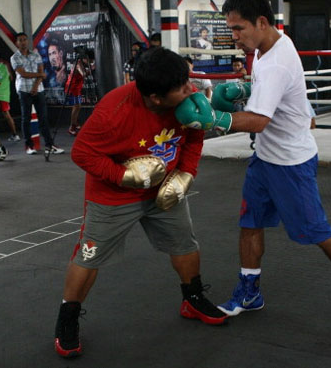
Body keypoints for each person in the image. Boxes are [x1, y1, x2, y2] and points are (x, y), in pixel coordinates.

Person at [176, 0, 331, 328]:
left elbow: (258, 121)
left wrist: (214, 119)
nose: (234, 37)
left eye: (238, 29)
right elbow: (277, 96)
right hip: (264, 159)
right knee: (250, 224)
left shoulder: (275, 64)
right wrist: (247, 90)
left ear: (261, 22)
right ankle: (250, 291)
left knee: (317, 232)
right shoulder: (269, 46)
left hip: (291, 164)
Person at [53, 47, 227, 359]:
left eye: (187, 81)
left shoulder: (187, 98)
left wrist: (187, 173)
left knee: (185, 244)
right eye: (181, 88)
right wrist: (123, 177)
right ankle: (67, 318)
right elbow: (81, 153)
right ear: (156, 98)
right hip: (114, 196)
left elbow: (194, 136)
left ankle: (193, 299)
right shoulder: (113, 112)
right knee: (88, 257)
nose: (190, 90)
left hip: (165, 189)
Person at [10, 32, 64, 155]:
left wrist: (35, 85)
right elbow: (23, 73)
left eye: (25, 39)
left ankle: (49, 145)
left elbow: (41, 71)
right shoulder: (14, 57)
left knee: (43, 118)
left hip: (38, 89)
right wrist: (40, 75)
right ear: (16, 43)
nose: (23, 42)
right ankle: (29, 145)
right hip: (24, 90)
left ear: (27, 41)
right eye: (20, 40)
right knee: (26, 119)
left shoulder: (36, 55)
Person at [64, 57, 86, 136]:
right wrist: (89, 69)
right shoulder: (78, 64)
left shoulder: (82, 63)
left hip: (77, 88)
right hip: (73, 88)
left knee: (78, 106)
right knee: (76, 106)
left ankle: (75, 123)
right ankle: (71, 127)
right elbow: (83, 74)